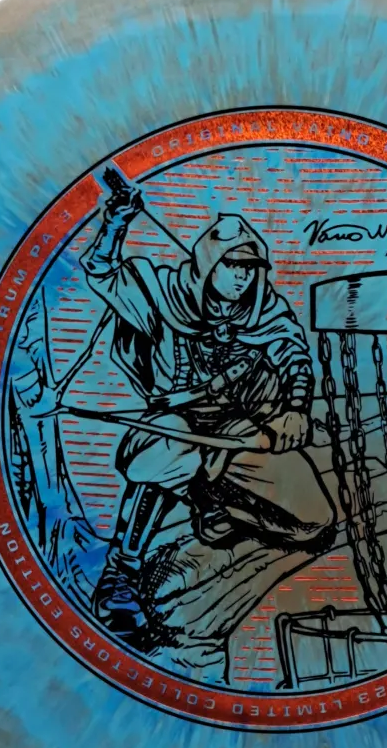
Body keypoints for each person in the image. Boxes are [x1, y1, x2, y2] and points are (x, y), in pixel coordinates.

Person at [80, 168, 335, 641]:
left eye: (249, 268)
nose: (241, 277)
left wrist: (296, 408)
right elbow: (101, 271)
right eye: (232, 265)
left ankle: (211, 502)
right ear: (209, 262)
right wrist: (116, 222)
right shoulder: (161, 295)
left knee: (313, 522)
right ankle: (123, 572)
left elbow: (293, 355)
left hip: (237, 435)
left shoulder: (263, 308)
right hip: (175, 428)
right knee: (159, 452)